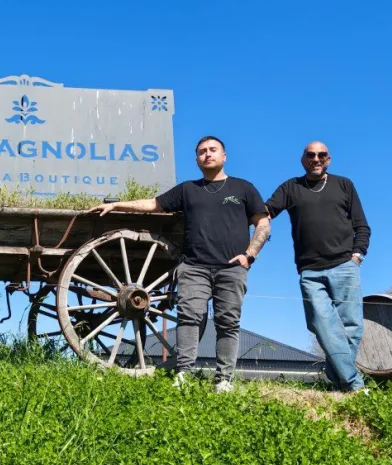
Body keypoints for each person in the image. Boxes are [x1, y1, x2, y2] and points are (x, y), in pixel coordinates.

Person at [89, 136, 270, 392]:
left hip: (231, 267)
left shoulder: (243, 188)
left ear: (224, 156)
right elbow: (154, 204)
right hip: (194, 266)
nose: (208, 154)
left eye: (213, 150)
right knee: (188, 318)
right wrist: (117, 204)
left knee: (228, 322)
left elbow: (263, 223)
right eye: (202, 151)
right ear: (196, 159)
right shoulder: (188, 189)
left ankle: (224, 380)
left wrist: (249, 255)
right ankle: (184, 373)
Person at [265, 141, 371, 392]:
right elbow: (266, 211)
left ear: (328, 159)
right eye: (311, 155)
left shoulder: (344, 185)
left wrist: (358, 254)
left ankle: (339, 384)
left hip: (345, 265)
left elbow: (361, 225)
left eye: (322, 155)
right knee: (322, 325)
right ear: (303, 159)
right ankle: (354, 384)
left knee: (351, 328)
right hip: (310, 270)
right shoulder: (291, 187)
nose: (316, 159)